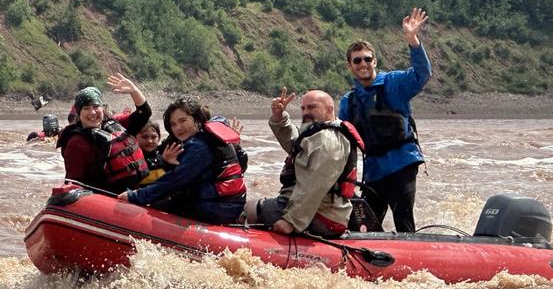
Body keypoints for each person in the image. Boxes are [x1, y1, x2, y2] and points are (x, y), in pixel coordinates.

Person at [338, 7, 432, 233]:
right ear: (350, 66)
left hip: (402, 164)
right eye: (357, 60)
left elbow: (422, 73)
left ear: (375, 61)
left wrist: (413, 40)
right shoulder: (348, 102)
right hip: (373, 171)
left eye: (367, 59)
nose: (363, 64)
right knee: (363, 226)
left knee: (403, 221)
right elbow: (341, 142)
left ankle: (412, 260)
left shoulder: (395, 83)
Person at [243, 88, 363, 238]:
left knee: (248, 210)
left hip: (322, 214)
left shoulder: (328, 142)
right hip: (316, 209)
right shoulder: (319, 132)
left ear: (329, 109)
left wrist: (291, 221)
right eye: (303, 108)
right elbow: (295, 143)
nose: (306, 112)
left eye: (312, 107)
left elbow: (315, 186)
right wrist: (279, 117)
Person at [118, 97, 247, 225]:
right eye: (173, 124)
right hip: (231, 205)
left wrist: (135, 196)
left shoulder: (198, 146)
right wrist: (167, 163)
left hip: (217, 208)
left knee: (155, 206)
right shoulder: (214, 136)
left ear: (196, 119)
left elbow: (176, 180)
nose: (178, 128)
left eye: (183, 121)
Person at [56, 73, 152, 192]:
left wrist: (134, 91)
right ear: (79, 114)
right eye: (86, 108)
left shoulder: (116, 123)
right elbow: (74, 183)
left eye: (96, 106)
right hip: (111, 199)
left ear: (102, 108)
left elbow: (144, 113)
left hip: (138, 191)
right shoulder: (76, 143)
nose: (92, 112)